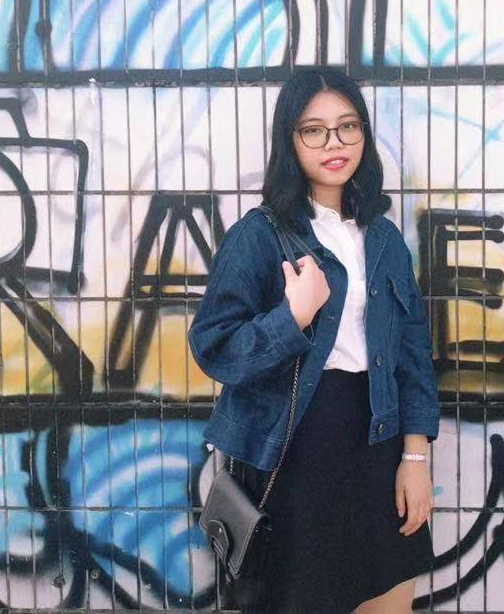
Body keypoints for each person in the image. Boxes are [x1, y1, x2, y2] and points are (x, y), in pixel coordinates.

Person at [188, 68, 440, 613]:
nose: (334, 143)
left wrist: (415, 457)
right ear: (290, 139)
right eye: (314, 129)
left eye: (348, 126)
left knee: (389, 599)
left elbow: (413, 354)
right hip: (294, 454)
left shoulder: (384, 238)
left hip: (376, 442)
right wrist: (292, 317)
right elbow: (214, 346)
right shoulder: (260, 235)